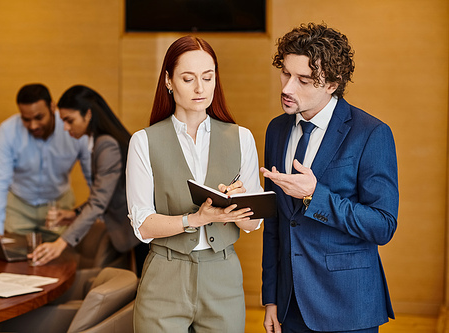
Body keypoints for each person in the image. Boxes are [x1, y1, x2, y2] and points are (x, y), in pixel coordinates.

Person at [260, 23, 399, 333]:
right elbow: (275, 223)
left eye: (303, 80)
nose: (286, 88)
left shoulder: (371, 134)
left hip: (347, 305)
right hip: (289, 303)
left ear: (332, 85)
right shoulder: (276, 129)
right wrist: (271, 298)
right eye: (285, 74)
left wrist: (314, 195)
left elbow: (383, 225)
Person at [126, 36, 263, 332]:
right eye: (188, 79)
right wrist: (196, 219)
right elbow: (143, 226)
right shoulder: (144, 141)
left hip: (223, 277)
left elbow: (253, 225)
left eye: (208, 77)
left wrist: (240, 204)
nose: (200, 88)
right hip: (164, 276)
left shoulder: (241, 138)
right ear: (169, 80)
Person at [30, 85, 147, 274]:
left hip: (141, 231)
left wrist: (61, 243)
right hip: (133, 231)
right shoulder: (99, 141)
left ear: (88, 114)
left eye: (69, 120)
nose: (66, 128)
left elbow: (99, 202)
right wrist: (73, 214)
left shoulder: (106, 144)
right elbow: (106, 193)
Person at [0, 83, 91, 241]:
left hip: (58, 205)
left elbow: (93, 178)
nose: (33, 125)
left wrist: (97, 213)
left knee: (59, 258)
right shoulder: (7, 131)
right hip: (18, 206)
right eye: (26, 119)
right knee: (16, 258)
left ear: (52, 107)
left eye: (39, 117)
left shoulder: (73, 128)